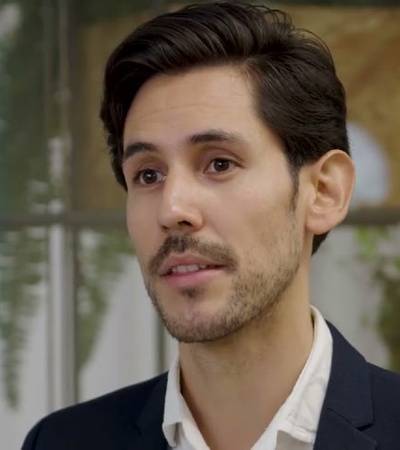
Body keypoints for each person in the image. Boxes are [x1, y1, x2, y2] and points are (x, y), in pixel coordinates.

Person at [22, 2, 400, 449]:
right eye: (148, 175)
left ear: (324, 192)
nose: (172, 208)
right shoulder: (62, 442)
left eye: (219, 163)